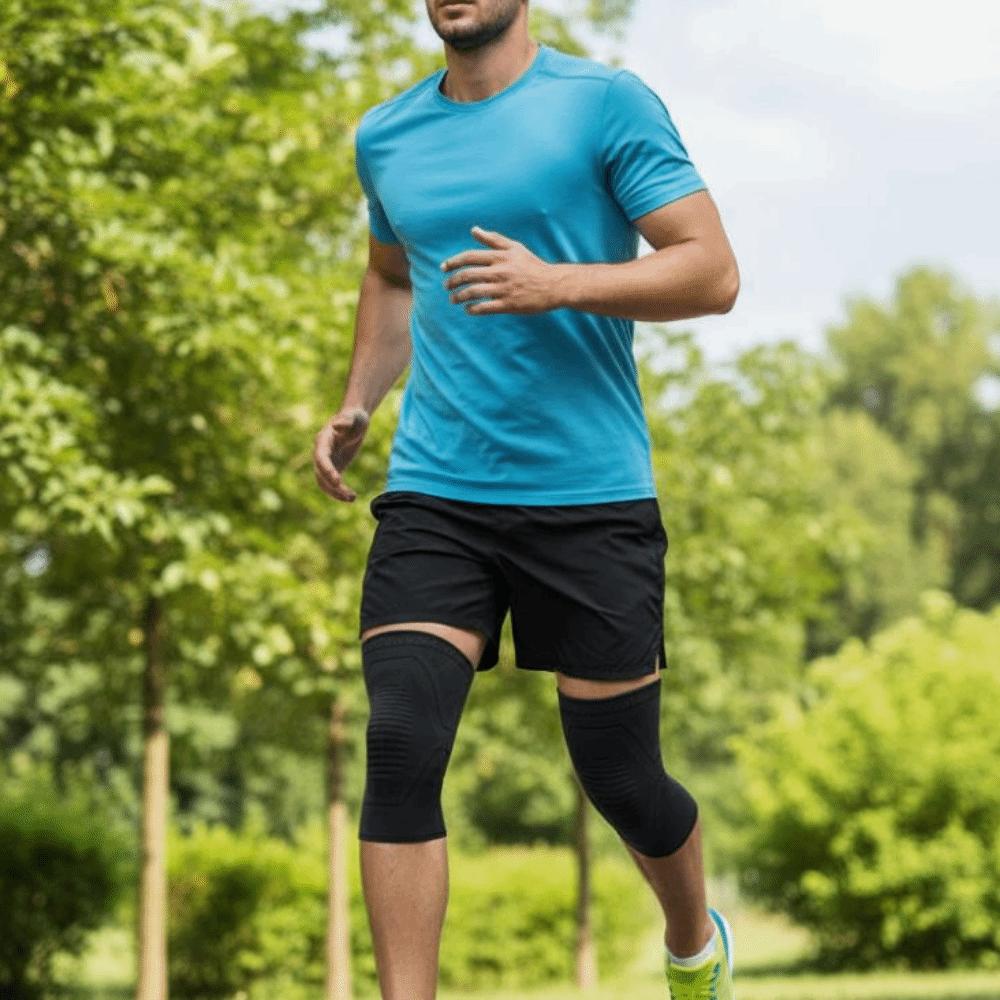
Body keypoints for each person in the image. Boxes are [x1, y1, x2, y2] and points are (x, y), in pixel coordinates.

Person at [313, 1, 740, 996]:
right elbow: (392, 275)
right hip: (437, 490)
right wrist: (358, 398)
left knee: (621, 779)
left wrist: (559, 284)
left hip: (587, 494)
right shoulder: (386, 134)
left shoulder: (603, 105)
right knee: (403, 739)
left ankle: (690, 942)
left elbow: (710, 271)